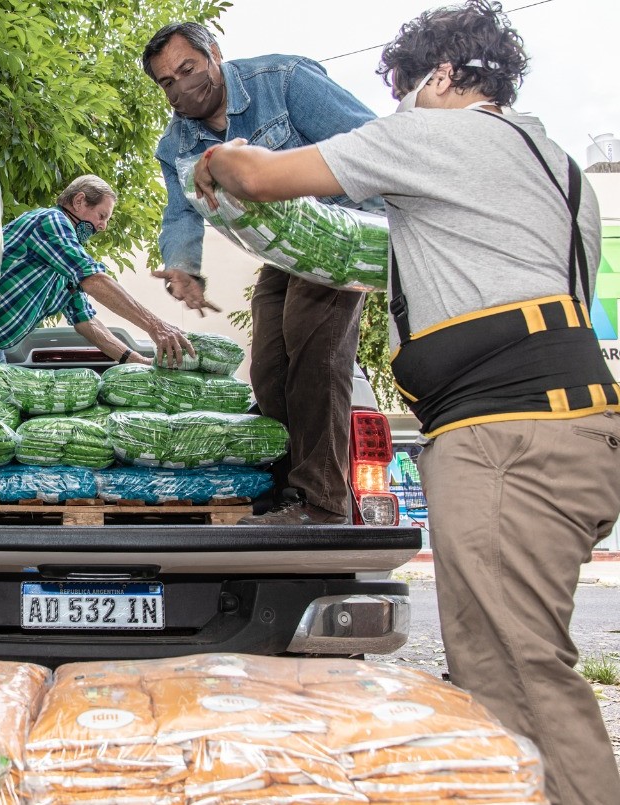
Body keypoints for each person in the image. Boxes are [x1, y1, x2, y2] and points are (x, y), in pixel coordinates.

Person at [191, 2, 620, 801]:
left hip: (505, 438)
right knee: (501, 657)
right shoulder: (561, 171)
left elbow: (262, 178)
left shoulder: (434, 135)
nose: (400, 106)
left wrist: (216, 157)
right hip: (578, 431)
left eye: (406, 89)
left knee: (518, 669)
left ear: (445, 75)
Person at [142, 22, 379, 525]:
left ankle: (321, 501)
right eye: (167, 82)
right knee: (269, 365)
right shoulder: (176, 143)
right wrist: (183, 267)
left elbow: (366, 143)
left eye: (188, 69)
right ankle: (283, 487)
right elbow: (180, 212)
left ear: (214, 53)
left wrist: (387, 233)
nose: (182, 87)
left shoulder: (284, 80)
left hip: (342, 231)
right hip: (285, 252)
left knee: (313, 347)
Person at [0, 175, 196, 524]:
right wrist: (156, 327)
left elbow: (87, 323)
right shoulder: (49, 222)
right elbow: (92, 277)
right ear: (79, 202)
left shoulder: (64, 263)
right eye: (102, 216)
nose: (102, 226)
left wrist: (135, 360)